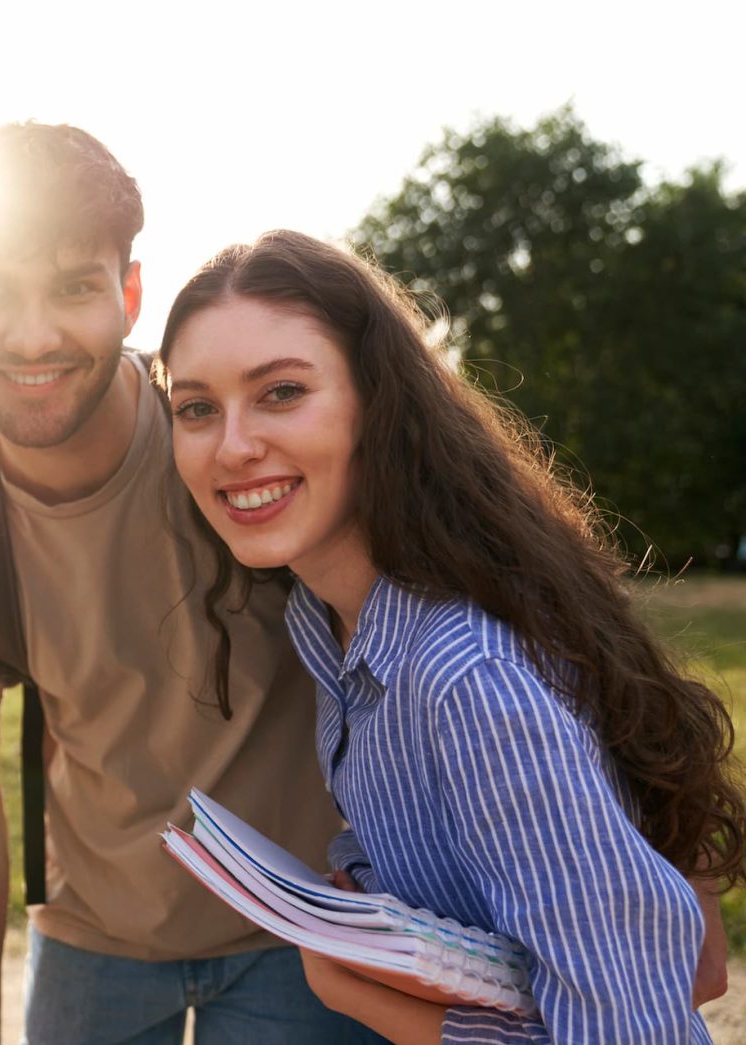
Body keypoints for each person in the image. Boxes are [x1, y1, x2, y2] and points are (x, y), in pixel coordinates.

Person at [159, 229, 745, 1043]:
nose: (233, 445)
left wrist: (370, 999)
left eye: (282, 391)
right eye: (195, 408)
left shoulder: (463, 677)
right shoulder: (334, 629)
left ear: (377, 402)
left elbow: (629, 1025)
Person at [0, 122, 379, 1044]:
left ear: (131, 293)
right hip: (92, 938)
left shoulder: (227, 444)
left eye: (74, 286)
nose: (33, 333)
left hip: (297, 930)